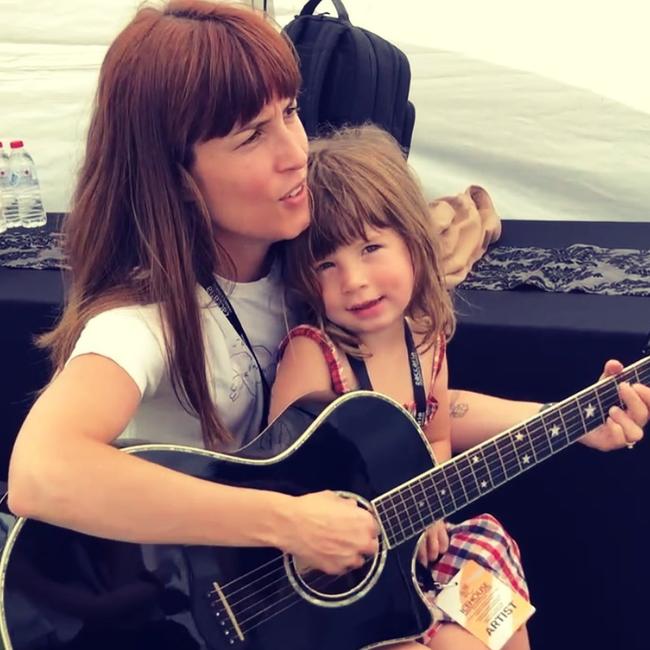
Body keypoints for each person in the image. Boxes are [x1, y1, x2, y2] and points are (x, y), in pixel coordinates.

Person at [7, 0, 649, 645]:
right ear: (177, 179)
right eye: (251, 135)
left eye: (289, 111)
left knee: (489, 603)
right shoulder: (143, 322)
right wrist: (286, 522)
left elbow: (421, 403)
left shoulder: (309, 270)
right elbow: (41, 472)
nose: (295, 152)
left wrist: (566, 421)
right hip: (184, 613)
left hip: (307, 585)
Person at [270, 124, 531, 650]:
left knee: (494, 601)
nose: (355, 280)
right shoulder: (312, 356)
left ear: (413, 242)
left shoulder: (427, 338)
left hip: (421, 543)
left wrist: (429, 506)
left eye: (371, 247)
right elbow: (285, 485)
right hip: (343, 579)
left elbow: (435, 440)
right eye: (327, 263)